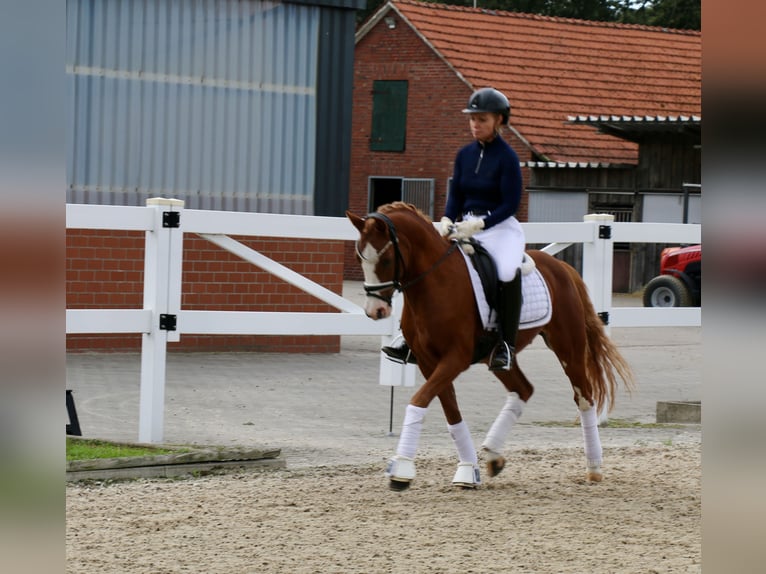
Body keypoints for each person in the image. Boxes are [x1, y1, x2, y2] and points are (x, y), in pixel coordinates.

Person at [383, 87, 525, 371]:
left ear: (498, 120)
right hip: (463, 226)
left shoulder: (507, 157)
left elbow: (511, 203)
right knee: (425, 267)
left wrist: (482, 223)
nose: (475, 124)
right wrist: (448, 219)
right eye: (472, 119)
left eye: (482, 119)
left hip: (499, 227)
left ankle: (505, 345)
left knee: (508, 271)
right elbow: (456, 195)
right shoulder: (464, 155)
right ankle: (409, 338)